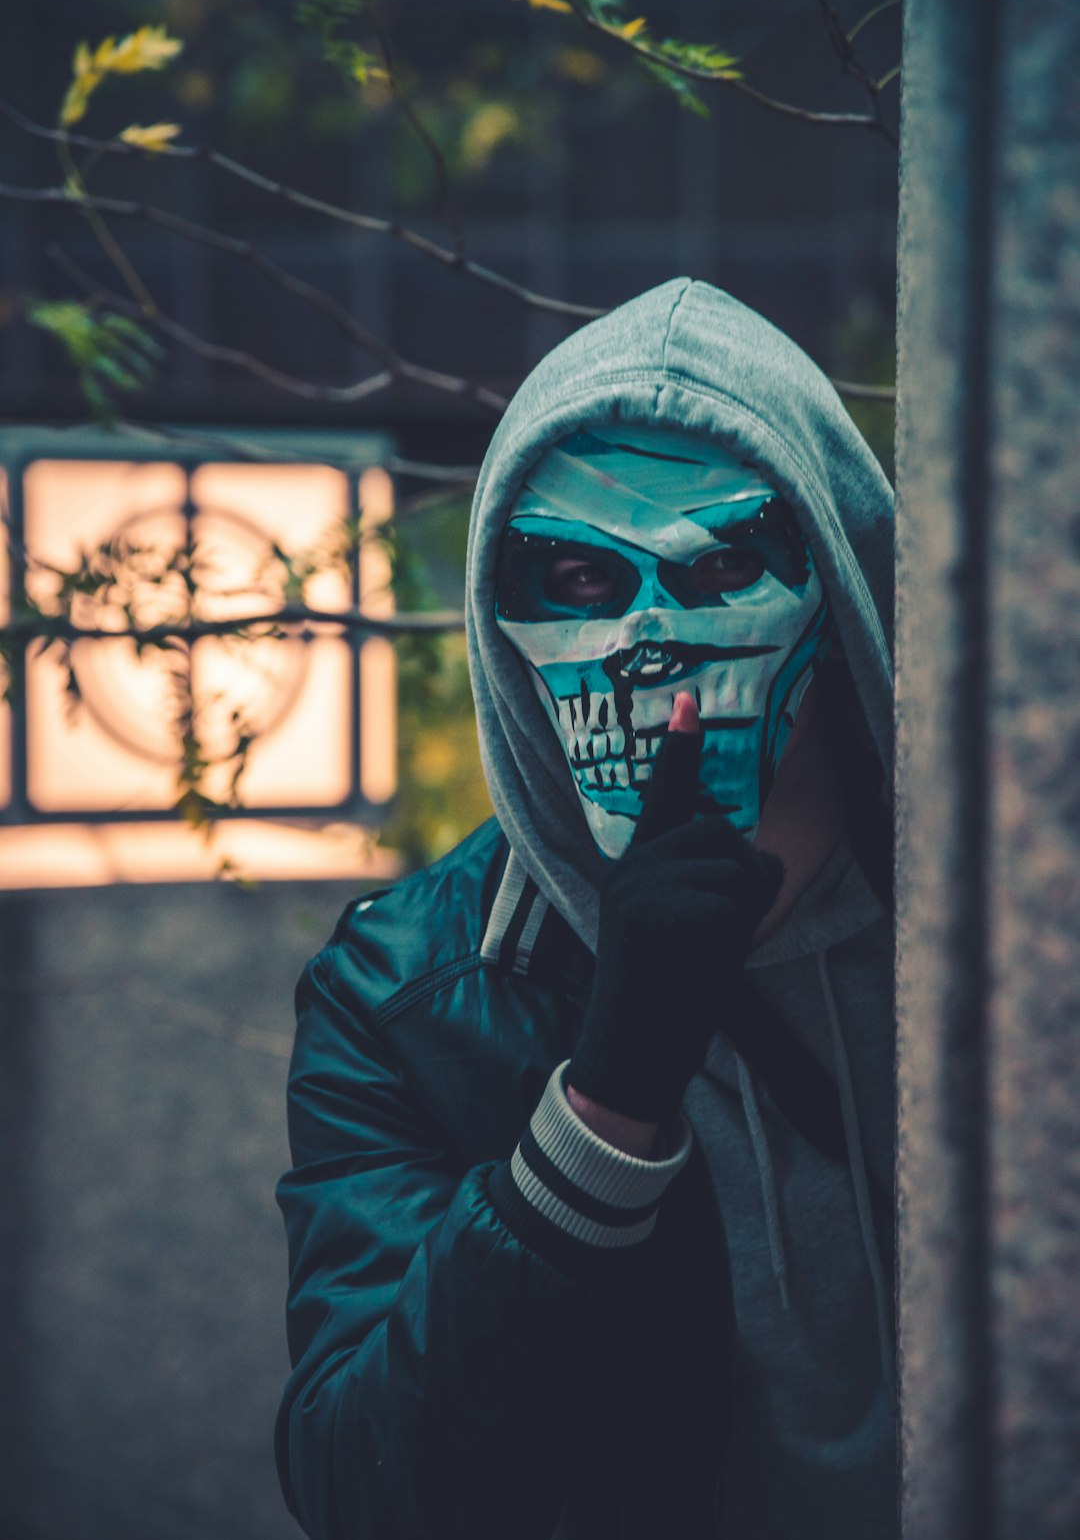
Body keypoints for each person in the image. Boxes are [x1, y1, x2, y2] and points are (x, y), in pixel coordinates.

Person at [274, 278, 896, 1540]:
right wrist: (606, 1100)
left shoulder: (1027, 917)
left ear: (836, 582)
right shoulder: (408, 996)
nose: (647, 642)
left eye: (722, 564)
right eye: (576, 578)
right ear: (503, 632)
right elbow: (365, 1490)